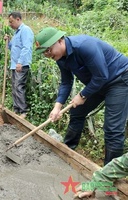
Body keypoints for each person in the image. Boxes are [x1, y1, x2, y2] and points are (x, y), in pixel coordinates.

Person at [34, 27, 128, 165]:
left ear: (60, 41)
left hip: (118, 80)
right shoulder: (60, 58)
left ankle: (110, 174)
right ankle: (68, 149)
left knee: (112, 128)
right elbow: (66, 82)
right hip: (98, 83)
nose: (48, 55)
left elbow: (102, 76)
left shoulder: (84, 46)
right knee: (77, 111)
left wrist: (83, 95)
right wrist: (57, 106)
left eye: (48, 50)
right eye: (44, 53)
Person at [4, 12, 34, 119]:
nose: (10, 24)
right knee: (14, 87)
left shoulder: (25, 30)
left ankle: (23, 111)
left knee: (19, 86)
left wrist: (20, 62)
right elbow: (13, 48)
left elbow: (27, 47)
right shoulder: (16, 33)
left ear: (18, 19)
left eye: (11, 22)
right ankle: (16, 109)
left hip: (21, 64)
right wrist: (8, 41)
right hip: (14, 64)